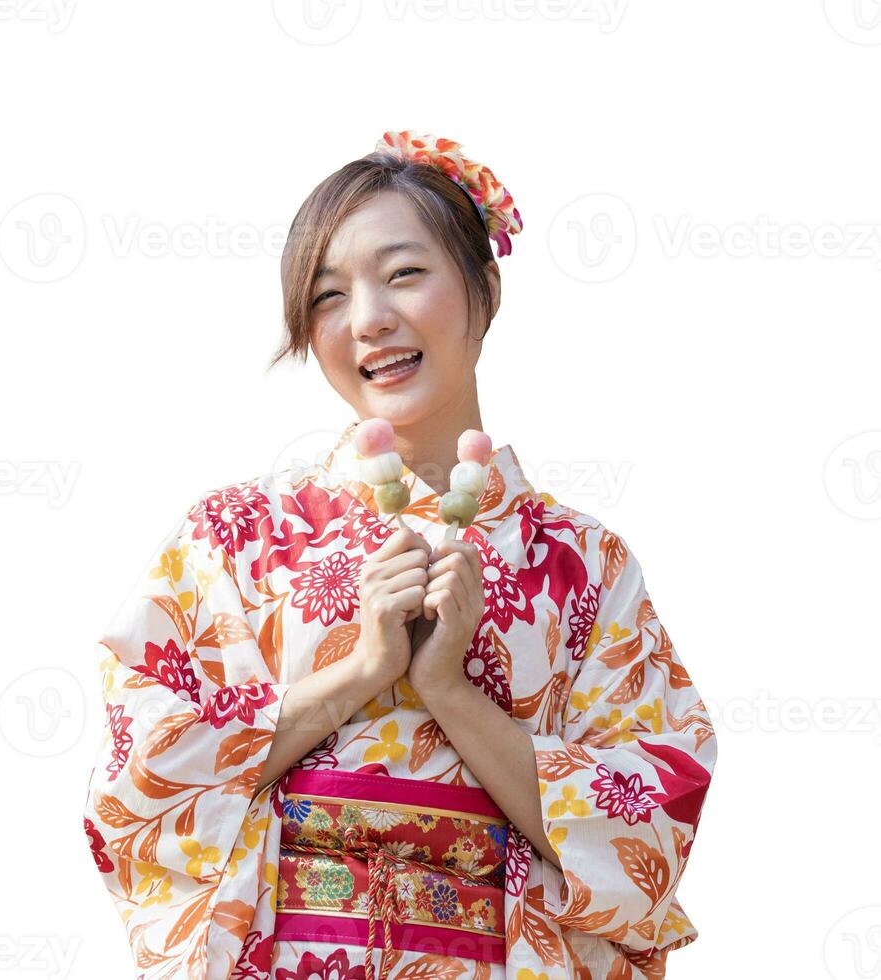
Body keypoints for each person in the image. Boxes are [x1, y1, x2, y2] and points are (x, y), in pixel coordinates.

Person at [82, 130, 717, 980]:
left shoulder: (582, 564)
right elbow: (139, 783)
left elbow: (648, 819)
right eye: (327, 294)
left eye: (404, 273)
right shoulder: (232, 536)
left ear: (484, 289)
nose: (369, 318)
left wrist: (447, 689)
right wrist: (358, 669)